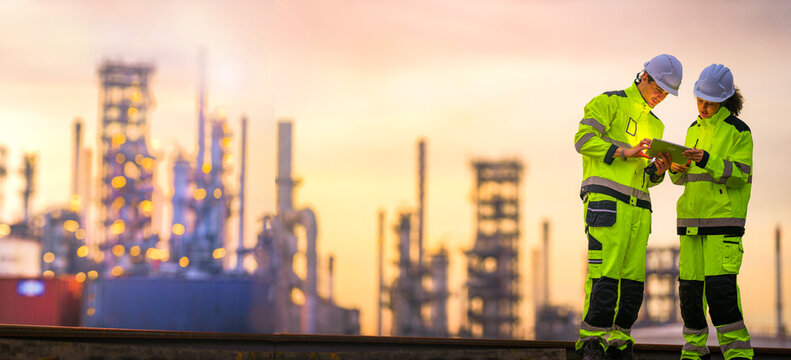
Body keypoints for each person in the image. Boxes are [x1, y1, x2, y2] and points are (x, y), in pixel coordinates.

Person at [573, 54, 681, 359]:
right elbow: (583, 140)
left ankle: (620, 343)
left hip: (638, 210)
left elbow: (643, 178)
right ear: (644, 77)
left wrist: (657, 170)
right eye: (658, 89)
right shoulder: (608, 103)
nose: (661, 97)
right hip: (607, 205)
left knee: (632, 284)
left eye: (666, 94)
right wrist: (624, 151)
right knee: (604, 276)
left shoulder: (656, 124)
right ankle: (591, 343)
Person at [669, 64, 753, 360]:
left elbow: (739, 174)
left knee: (721, 295)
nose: (703, 107)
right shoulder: (693, 129)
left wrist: (707, 159)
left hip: (722, 229)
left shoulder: (739, 133)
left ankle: (738, 355)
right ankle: (693, 353)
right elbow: (684, 180)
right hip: (691, 227)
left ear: (724, 100)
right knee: (689, 296)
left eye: (709, 102)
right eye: (699, 100)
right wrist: (676, 168)